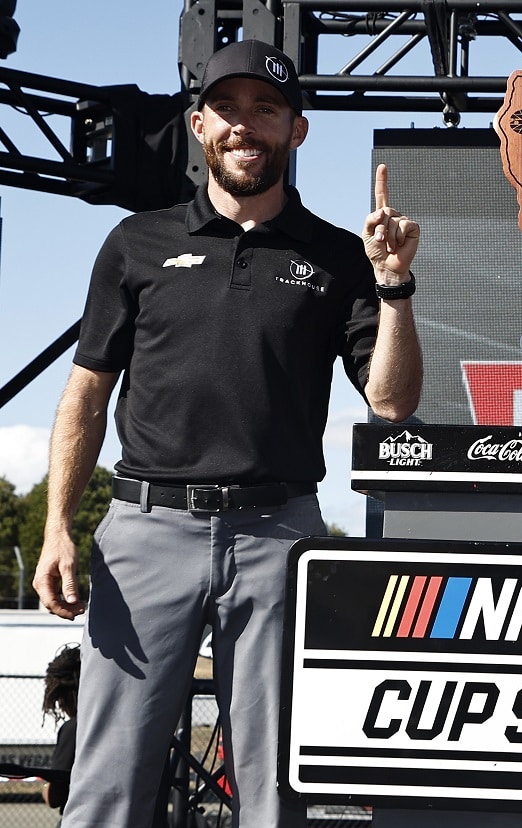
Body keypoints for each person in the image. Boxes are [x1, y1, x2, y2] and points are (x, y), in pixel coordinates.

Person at [31, 38, 424, 828]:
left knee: (275, 789)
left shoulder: (341, 258)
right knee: (107, 787)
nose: (247, 126)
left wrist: (393, 285)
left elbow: (392, 403)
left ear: (296, 130)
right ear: (199, 126)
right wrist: (56, 528)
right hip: (146, 530)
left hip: (280, 536)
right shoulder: (135, 244)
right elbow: (85, 397)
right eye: (229, 110)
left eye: (267, 110)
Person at [41, 643, 80, 823]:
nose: (61, 706)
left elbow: (54, 797)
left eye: (60, 698)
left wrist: (45, 789)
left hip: (81, 818)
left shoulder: (74, 728)